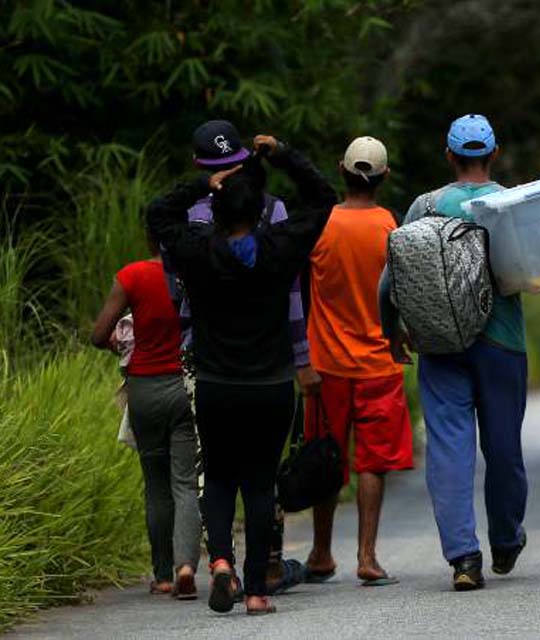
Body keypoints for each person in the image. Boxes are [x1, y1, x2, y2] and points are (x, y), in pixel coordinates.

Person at [147, 135, 336, 615]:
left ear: (217, 209)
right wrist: (283, 154)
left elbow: (158, 214)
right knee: (259, 485)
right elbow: (322, 197)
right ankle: (254, 592)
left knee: (221, 479)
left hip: (215, 385)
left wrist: (201, 186)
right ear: (259, 212)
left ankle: (222, 565)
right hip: (271, 387)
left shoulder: (198, 252)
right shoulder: (278, 248)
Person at [379, 114, 528, 591]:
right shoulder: (510, 204)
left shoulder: (425, 206)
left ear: (449, 157)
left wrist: (392, 332)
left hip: (440, 344)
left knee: (448, 449)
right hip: (502, 344)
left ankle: (464, 558)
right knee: (503, 446)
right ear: (494, 153)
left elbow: (391, 277)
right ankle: (506, 539)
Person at [302, 137, 414, 587]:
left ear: (341, 171)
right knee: (373, 462)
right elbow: (403, 294)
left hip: (325, 363)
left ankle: (321, 553)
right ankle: (367, 557)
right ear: (383, 178)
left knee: (326, 459)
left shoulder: (320, 226)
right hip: (380, 364)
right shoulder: (391, 227)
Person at [91, 229, 201, 600]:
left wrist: (118, 340)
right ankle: (187, 565)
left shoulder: (132, 276)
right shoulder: (191, 274)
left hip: (144, 391)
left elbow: (98, 334)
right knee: (184, 483)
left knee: (156, 485)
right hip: (183, 386)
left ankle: (163, 575)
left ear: (149, 239)